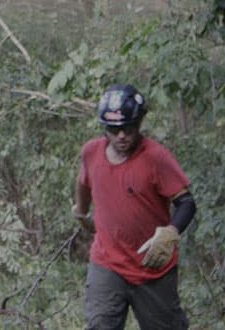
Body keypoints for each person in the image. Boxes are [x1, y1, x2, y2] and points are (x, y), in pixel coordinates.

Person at [72, 84, 197, 330]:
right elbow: (83, 180)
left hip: (152, 268)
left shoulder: (155, 158)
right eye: (114, 129)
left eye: (128, 129)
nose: (121, 136)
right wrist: (82, 212)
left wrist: (171, 232)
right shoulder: (91, 153)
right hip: (108, 263)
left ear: (139, 124)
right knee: (100, 325)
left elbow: (186, 203)